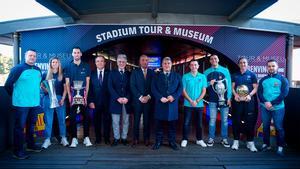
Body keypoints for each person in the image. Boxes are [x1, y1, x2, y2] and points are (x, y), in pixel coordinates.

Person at [5, 49, 42, 159]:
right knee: (19, 127)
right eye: (30, 55)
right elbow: (8, 85)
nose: (32, 57)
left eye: (34, 56)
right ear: (25, 56)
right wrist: (17, 97)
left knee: (31, 126)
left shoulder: (37, 69)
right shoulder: (18, 68)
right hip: (21, 104)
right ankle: (18, 151)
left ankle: (31, 145)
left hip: (34, 104)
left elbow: (37, 85)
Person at [258, 59, 289, 156]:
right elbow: (259, 93)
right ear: (267, 67)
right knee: (266, 127)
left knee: (279, 127)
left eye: (273, 66)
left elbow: (284, 93)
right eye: (269, 66)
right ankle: (266, 144)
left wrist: (272, 103)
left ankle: (280, 147)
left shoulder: (282, 79)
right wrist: (266, 102)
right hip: (265, 107)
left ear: (277, 67)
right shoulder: (263, 80)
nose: (271, 68)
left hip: (278, 108)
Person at [151, 57, 183, 150]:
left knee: (172, 126)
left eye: (168, 63)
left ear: (171, 64)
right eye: (165, 63)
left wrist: (174, 96)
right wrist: (160, 97)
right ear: (162, 65)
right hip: (160, 103)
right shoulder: (156, 76)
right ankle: (158, 142)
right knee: (158, 125)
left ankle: (172, 142)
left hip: (172, 104)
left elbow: (180, 88)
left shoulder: (177, 75)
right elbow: (153, 88)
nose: (167, 65)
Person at [65, 47, 92, 148]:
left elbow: (88, 82)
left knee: (86, 117)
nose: (76, 54)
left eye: (78, 53)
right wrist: (69, 96)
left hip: (83, 96)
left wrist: (86, 95)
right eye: (74, 53)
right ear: (72, 54)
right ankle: (74, 138)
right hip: (73, 96)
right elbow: (67, 82)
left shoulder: (86, 66)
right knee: (72, 118)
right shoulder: (68, 66)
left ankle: (86, 137)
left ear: (81, 54)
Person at [204, 54, 232, 148]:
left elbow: (229, 86)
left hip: (224, 99)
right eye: (211, 59)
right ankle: (211, 138)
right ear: (210, 61)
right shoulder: (206, 72)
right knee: (212, 120)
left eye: (215, 58)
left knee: (224, 120)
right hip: (212, 99)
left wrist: (229, 98)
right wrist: (209, 83)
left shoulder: (225, 70)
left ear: (218, 59)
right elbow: (203, 86)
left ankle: (224, 139)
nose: (214, 60)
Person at [40, 57, 69, 149]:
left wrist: (63, 99)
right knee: (48, 120)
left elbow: (65, 88)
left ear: (59, 63)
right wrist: (46, 90)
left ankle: (63, 138)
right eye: (53, 62)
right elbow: (42, 86)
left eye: (56, 62)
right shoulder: (45, 74)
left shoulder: (62, 75)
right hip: (48, 98)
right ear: (50, 63)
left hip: (60, 98)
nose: (54, 63)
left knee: (61, 119)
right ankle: (47, 139)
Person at [231, 57, 258, 152]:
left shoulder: (252, 75)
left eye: (244, 63)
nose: (243, 64)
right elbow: (232, 87)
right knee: (236, 121)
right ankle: (236, 141)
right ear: (238, 64)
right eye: (241, 63)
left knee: (249, 122)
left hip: (248, 102)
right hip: (238, 101)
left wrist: (250, 95)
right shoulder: (235, 75)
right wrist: (235, 95)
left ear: (247, 64)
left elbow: (255, 88)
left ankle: (250, 142)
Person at [180, 59, 207, 148]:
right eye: (192, 65)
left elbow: (204, 91)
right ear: (189, 66)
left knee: (199, 123)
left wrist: (197, 100)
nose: (194, 66)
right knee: (186, 123)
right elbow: (183, 91)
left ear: (198, 66)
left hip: (199, 105)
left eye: (195, 65)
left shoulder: (203, 77)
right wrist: (191, 101)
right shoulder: (185, 76)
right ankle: (184, 139)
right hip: (188, 104)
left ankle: (199, 140)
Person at [130, 54, 154, 147]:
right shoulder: (134, 72)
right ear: (140, 62)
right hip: (137, 101)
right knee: (136, 121)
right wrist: (140, 97)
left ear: (148, 62)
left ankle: (146, 139)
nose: (145, 62)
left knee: (147, 121)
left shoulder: (152, 73)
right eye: (143, 60)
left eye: (146, 60)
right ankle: (135, 139)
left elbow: (154, 86)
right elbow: (132, 86)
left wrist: (148, 97)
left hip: (148, 101)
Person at [108, 54, 131, 146]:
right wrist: (117, 97)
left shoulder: (129, 74)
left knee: (126, 121)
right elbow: (110, 87)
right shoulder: (111, 73)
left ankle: (124, 138)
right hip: (115, 101)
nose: (121, 63)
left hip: (126, 101)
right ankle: (116, 138)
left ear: (126, 63)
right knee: (115, 121)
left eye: (123, 62)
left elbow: (131, 87)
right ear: (117, 62)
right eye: (119, 61)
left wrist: (127, 98)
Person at [88, 55, 111, 145]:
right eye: (98, 61)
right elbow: (89, 89)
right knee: (96, 121)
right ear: (95, 63)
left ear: (105, 63)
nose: (100, 63)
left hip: (107, 102)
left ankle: (107, 138)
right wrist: (90, 101)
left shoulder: (109, 73)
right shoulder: (91, 74)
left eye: (102, 61)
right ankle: (98, 138)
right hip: (95, 102)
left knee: (107, 121)